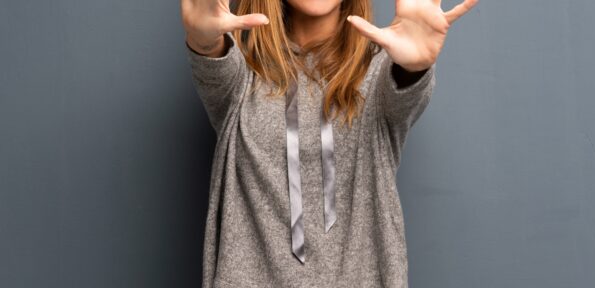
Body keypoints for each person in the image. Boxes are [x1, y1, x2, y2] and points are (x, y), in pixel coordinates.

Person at [180, 0, 477, 286]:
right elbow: (214, 64)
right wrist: (204, 41)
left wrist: (413, 68)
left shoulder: (380, 73)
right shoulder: (241, 77)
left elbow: (403, 96)